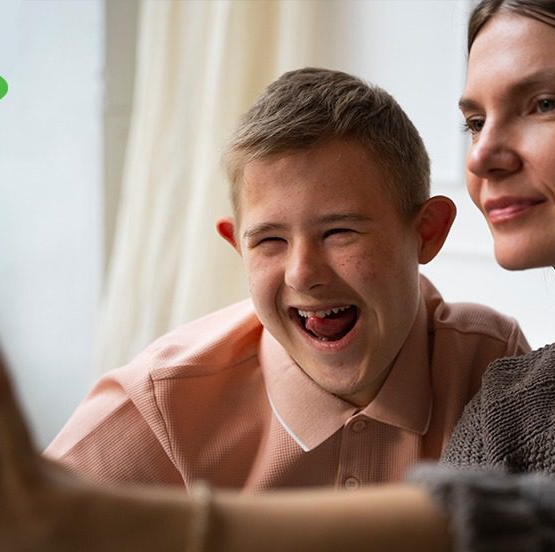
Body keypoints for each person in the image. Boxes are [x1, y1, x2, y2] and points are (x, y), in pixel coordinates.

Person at [0, 0, 555, 550]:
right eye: (472, 121)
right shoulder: (516, 403)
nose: (485, 155)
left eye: (543, 103)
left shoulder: (486, 360)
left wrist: (86, 519)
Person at [44, 68, 529, 490]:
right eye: (269, 241)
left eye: (339, 232)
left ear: (427, 232)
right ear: (238, 246)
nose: (303, 274)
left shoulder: (491, 362)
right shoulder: (164, 399)